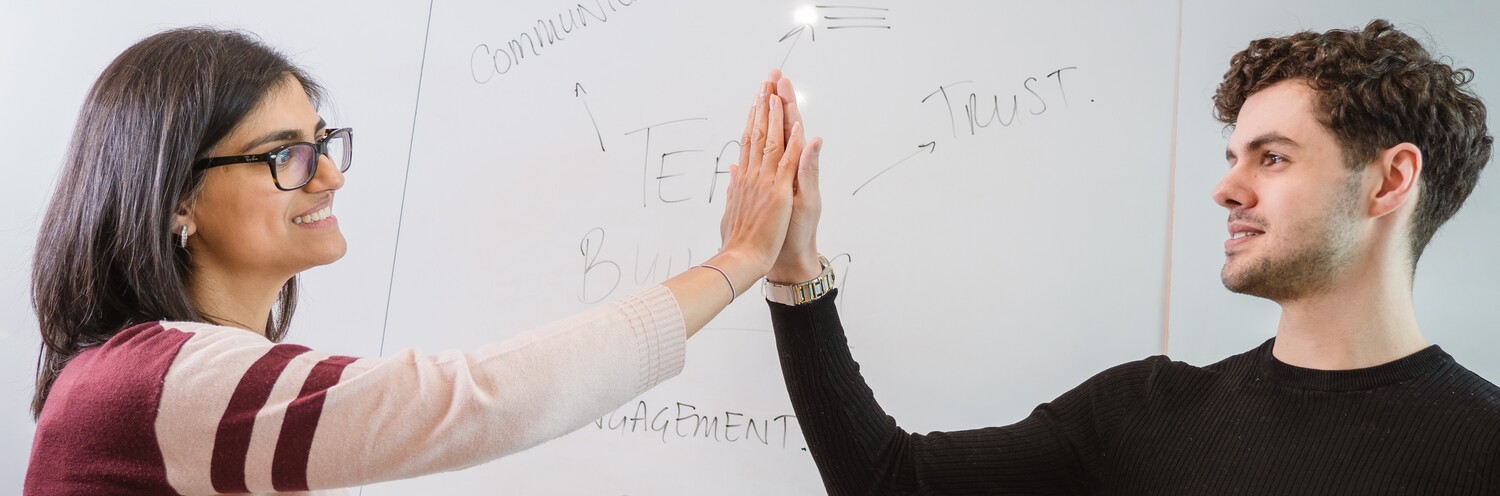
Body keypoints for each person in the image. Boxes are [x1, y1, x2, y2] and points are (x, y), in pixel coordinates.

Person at [24, 28, 813, 494]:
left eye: (324, 143)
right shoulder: (161, 382)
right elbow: (476, 400)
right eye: (286, 156)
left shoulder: (150, 375)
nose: (330, 175)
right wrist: (737, 259)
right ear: (176, 201)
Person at [764, 19, 1499, 494]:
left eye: (1272, 158)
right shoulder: (1145, 410)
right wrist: (794, 271)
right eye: (1233, 157)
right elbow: (885, 481)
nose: (1225, 189)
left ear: (1390, 179)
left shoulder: (1482, 446)